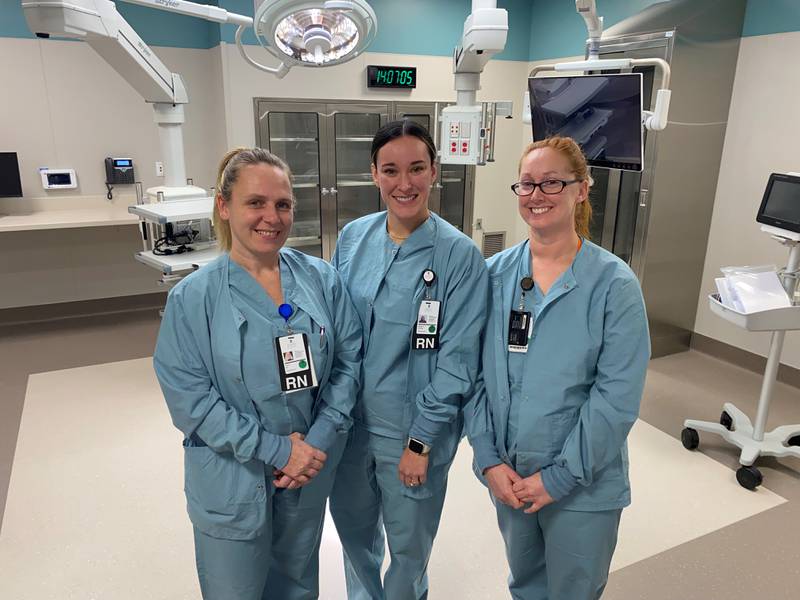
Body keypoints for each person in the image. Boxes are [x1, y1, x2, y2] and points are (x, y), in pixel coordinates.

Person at [153, 147, 362, 600]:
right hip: (233, 476)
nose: (272, 216)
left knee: (298, 584)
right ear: (224, 207)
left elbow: (348, 363)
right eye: (256, 203)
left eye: (283, 204)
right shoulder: (193, 300)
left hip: (306, 470)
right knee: (236, 588)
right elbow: (191, 401)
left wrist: (317, 441)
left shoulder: (321, 280)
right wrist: (274, 449)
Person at [465, 136, 650, 600]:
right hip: (509, 475)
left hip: (583, 483)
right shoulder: (494, 276)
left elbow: (616, 397)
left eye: (552, 183)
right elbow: (474, 377)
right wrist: (488, 459)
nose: (536, 195)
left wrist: (560, 477)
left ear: (581, 190)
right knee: (526, 584)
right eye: (527, 184)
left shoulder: (613, 285)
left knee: (572, 589)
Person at [329, 120, 489, 600]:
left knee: (409, 549)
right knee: (354, 533)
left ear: (435, 171)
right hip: (350, 425)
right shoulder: (353, 239)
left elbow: (458, 361)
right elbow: (337, 334)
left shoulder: (459, 256)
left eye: (417, 168)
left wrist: (420, 442)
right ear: (374, 174)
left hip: (413, 432)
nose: (405, 183)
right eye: (391, 170)